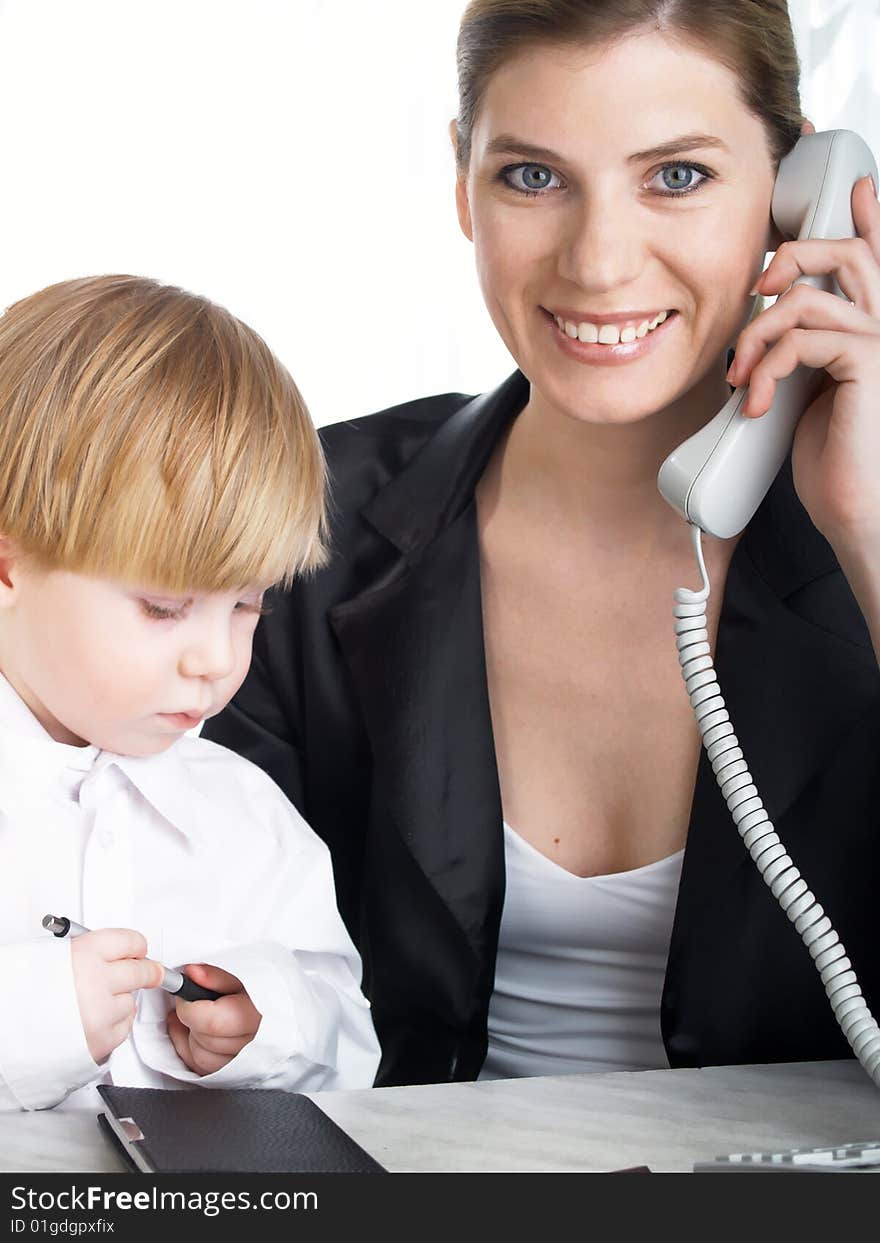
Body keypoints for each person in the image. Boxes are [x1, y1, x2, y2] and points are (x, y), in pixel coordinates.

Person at [204, 0, 880, 1087]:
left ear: (796, 194)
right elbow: (152, 951)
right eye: (531, 176)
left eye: (676, 176)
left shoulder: (867, 522)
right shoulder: (298, 519)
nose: (600, 263)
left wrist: (871, 529)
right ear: (464, 187)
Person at [0, 275, 380, 1111]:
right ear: (8, 565)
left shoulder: (241, 811)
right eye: (164, 606)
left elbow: (350, 1043)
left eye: (247, 604)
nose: (216, 658)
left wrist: (263, 1021)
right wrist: (29, 1024)